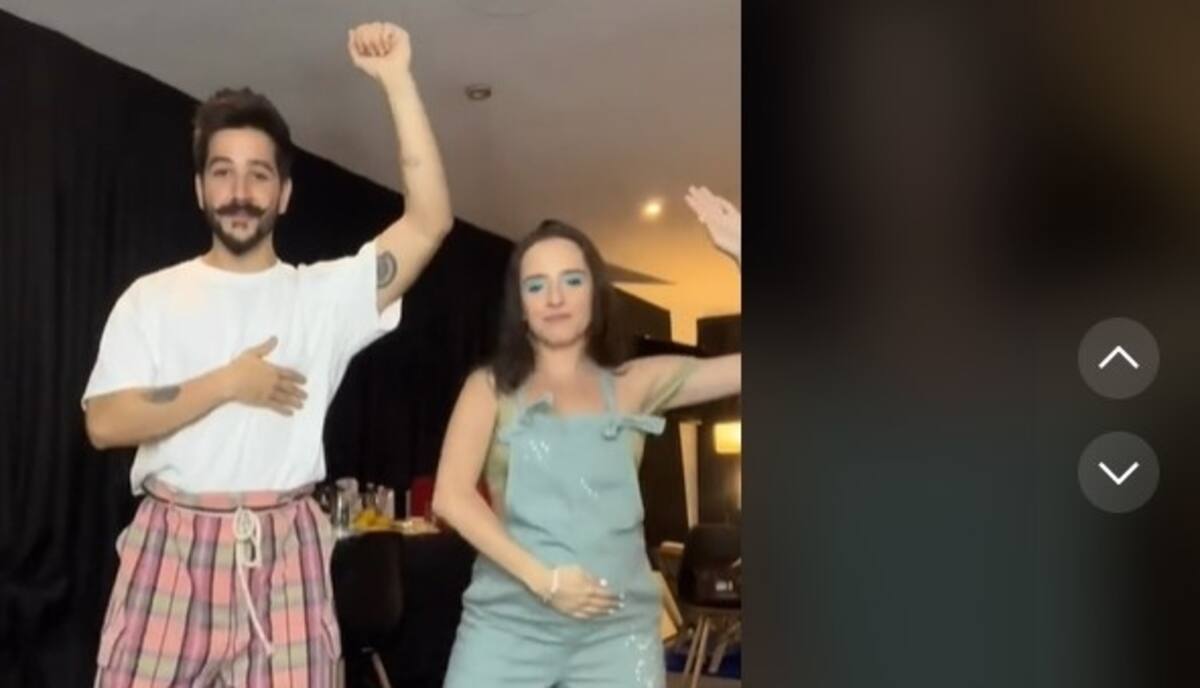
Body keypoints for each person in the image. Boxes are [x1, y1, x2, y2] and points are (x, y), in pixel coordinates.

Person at [82, 21, 450, 687]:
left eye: (259, 175)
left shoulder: (323, 297)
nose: (240, 192)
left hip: (287, 550)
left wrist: (397, 81)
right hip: (172, 544)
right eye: (222, 172)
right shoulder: (151, 297)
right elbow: (105, 422)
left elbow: (429, 223)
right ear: (201, 189)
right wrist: (228, 383)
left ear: (283, 194)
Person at [433, 186, 741, 687]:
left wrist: (743, 251)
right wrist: (545, 581)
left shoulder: (636, 384)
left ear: (595, 295)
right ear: (520, 305)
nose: (555, 298)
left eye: (571, 280)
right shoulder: (489, 388)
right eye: (537, 285)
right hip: (508, 627)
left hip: (617, 634)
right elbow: (451, 496)